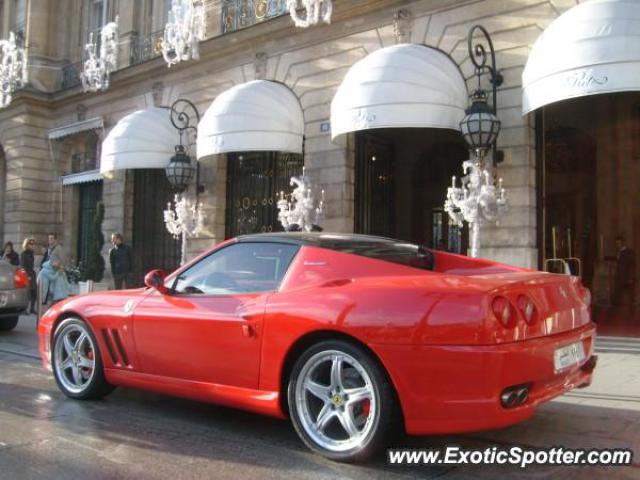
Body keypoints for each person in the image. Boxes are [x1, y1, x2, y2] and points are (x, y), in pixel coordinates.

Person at [613, 235, 636, 311]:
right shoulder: (619, 252)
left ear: (623, 243)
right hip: (619, 276)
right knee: (618, 294)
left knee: (630, 295)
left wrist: (630, 277)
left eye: (619, 243)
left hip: (626, 276)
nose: (617, 245)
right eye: (616, 244)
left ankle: (631, 310)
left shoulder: (629, 252)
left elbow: (632, 265)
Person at [20, 238, 37, 314]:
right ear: (26, 245)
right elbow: (23, 266)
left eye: (33, 244)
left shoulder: (31, 253)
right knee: (27, 293)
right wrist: (27, 276)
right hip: (26, 275)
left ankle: (32, 309)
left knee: (34, 293)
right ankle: (24, 309)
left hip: (32, 275)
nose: (32, 245)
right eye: (30, 244)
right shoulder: (24, 254)